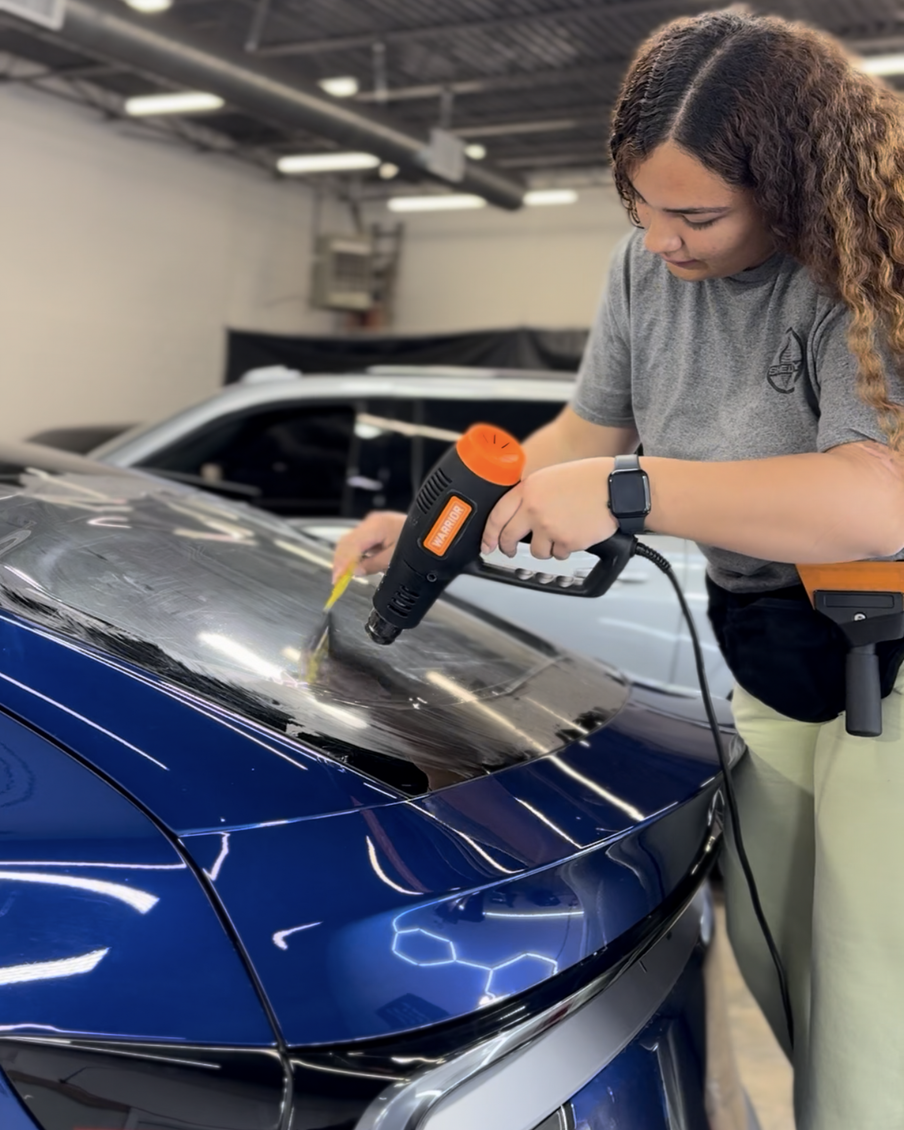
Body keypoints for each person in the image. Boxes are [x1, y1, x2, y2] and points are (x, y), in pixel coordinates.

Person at [333, 9, 904, 1126]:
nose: (661, 242)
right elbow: (580, 435)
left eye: (694, 215)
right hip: (767, 651)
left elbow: (874, 493)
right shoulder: (645, 271)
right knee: (780, 962)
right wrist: (432, 522)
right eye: (638, 207)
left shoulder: (870, 255)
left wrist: (632, 492)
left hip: (889, 656)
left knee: (870, 1012)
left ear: (788, 189)